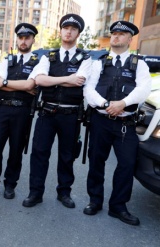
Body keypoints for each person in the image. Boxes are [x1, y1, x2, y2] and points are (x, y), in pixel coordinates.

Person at [83, 21, 151, 226]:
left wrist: (123, 103)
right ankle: (95, 201)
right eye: (114, 33)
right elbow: (89, 89)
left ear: (130, 39)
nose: (116, 37)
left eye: (121, 34)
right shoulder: (99, 63)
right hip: (101, 121)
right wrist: (105, 104)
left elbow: (143, 89)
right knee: (96, 161)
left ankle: (118, 206)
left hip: (125, 123)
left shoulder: (139, 64)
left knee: (127, 165)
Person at [22, 14, 91, 208]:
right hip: (47, 113)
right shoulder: (47, 56)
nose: (68, 31)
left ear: (78, 33)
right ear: (60, 31)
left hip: (70, 115)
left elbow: (81, 79)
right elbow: (39, 80)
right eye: (65, 28)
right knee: (39, 153)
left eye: (73, 29)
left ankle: (64, 193)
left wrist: (53, 79)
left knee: (67, 155)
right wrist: (67, 79)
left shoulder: (85, 58)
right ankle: (35, 193)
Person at [0, 23, 39, 199]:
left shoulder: (38, 61)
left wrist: (8, 84)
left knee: (16, 150)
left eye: (27, 38)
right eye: (21, 37)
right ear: (17, 39)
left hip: (22, 112)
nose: (24, 41)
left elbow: (31, 85)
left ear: (33, 40)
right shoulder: (7, 60)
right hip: (3, 109)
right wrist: (19, 86)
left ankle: (10, 185)